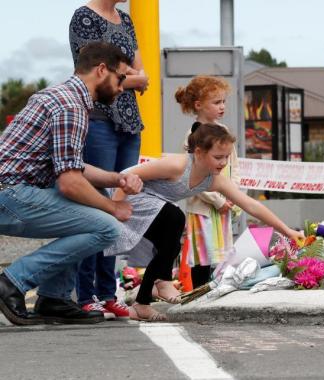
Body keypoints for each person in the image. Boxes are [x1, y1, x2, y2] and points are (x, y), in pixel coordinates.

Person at [0, 42, 143, 326]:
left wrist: (116, 178)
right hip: (10, 196)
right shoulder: (71, 107)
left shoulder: (59, 96)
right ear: (102, 70)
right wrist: (114, 207)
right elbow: (69, 184)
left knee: (94, 201)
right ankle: (11, 283)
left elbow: (71, 167)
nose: (122, 87)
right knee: (106, 226)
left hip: (13, 192)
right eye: (121, 78)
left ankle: (54, 299)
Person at [106, 123, 304, 321]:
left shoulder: (213, 180)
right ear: (199, 153)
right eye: (218, 157)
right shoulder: (178, 165)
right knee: (174, 218)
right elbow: (127, 176)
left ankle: (143, 302)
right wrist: (114, 208)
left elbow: (251, 205)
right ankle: (162, 282)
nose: (223, 163)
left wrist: (287, 231)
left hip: (152, 205)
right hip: (124, 196)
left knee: (170, 245)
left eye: (227, 157)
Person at [69, 0, 149, 319]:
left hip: (129, 121)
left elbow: (137, 71)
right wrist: (131, 78)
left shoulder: (125, 20)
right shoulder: (84, 17)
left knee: (121, 206)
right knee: (96, 202)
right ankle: (85, 293)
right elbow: (94, 74)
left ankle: (107, 290)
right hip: (100, 119)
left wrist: (130, 76)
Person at [175, 76, 240, 288]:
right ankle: (199, 293)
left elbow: (235, 165)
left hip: (224, 204)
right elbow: (192, 174)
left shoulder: (225, 132)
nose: (222, 107)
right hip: (202, 207)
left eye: (223, 102)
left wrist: (233, 194)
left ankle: (218, 292)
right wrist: (216, 200)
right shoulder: (192, 135)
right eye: (216, 102)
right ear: (199, 105)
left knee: (222, 255)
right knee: (202, 255)